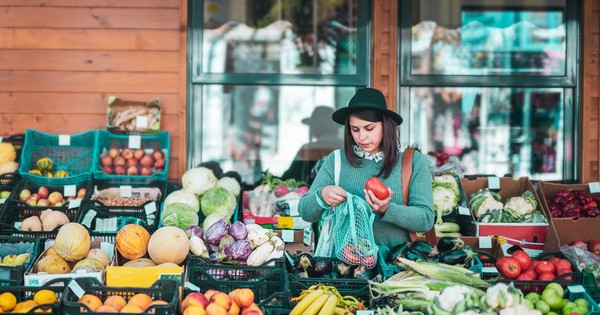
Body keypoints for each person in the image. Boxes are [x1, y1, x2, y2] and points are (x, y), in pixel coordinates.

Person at [298, 88, 434, 248]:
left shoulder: (412, 161)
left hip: (396, 264)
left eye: (369, 128)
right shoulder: (336, 161)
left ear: (385, 125)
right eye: (355, 129)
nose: (361, 137)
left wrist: (387, 209)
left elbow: (425, 220)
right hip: (346, 265)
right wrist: (321, 196)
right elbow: (305, 211)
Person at [281, 106, 343, 184]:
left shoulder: (307, 149)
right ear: (336, 128)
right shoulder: (348, 148)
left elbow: (289, 177)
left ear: (314, 129)